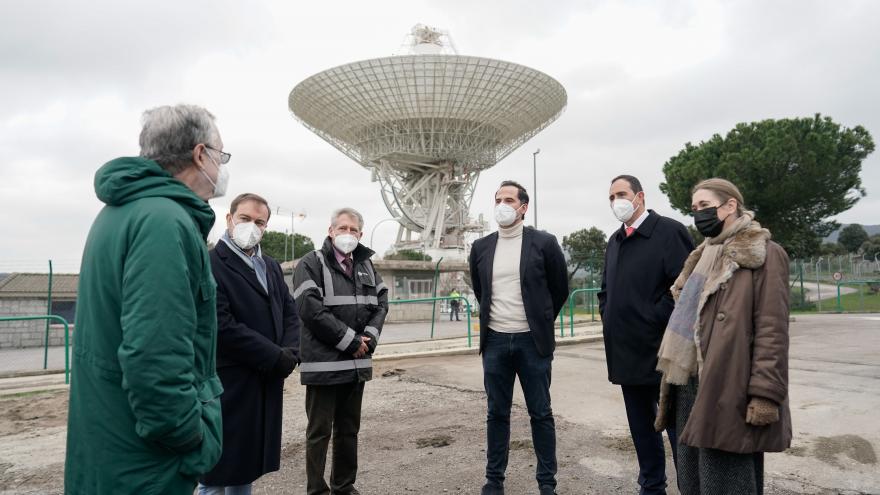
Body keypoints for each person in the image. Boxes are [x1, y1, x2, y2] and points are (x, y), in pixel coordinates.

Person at [65, 104, 228, 494]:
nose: (222, 167)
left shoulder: (123, 211)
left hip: (113, 445)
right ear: (200, 154)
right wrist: (191, 439)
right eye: (221, 156)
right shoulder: (163, 222)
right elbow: (155, 358)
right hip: (146, 464)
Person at [655, 178, 792, 494]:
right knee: (692, 478)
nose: (698, 213)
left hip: (731, 386)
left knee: (728, 479)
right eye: (694, 208)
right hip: (689, 382)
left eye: (704, 205)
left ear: (730, 205)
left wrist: (765, 394)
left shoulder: (765, 254)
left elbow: (773, 332)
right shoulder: (703, 254)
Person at [469, 180, 569, 495]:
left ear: (523, 207)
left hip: (532, 343)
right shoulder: (481, 248)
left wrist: (539, 322)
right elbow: (480, 290)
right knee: (496, 412)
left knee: (540, 412)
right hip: (496, 342)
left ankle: (547, 484)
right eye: (498, 199)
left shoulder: (544, 243)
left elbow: (559, 289)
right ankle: (494, 481)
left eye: (509, 199)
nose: (502, 204)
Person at [198, 193, 301, 494]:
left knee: (245, 463)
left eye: (260, 222)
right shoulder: (211, 263)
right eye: (245, 219)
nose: (252, 227)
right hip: (229, 380)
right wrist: (275, 356)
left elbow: (289, 310)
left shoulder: (269, 265)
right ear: (229, 219)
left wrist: (292, 351)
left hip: (263, 380)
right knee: (217, 469)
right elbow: (222, 325)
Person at [597, 174, 694, 495]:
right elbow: (605, 291)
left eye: (621, 194)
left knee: (678, 427)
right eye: (611, 197)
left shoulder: (669, 232)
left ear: (640, 197)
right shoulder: (615, 241)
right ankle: (652, 486)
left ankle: (691, 486)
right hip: (625, 352)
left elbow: (685, 289)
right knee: (641, 427)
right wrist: (608, 316)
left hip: (663, 351)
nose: (616, 201)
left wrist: (651, 318)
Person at [293, 207, 389, 495]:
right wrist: (350, 341)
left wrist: (368, 339)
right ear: (330, 230)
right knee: (319, 432)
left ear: (360, 235)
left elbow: (381, 305)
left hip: (356, 365)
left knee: (348, 431)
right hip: (324, 365)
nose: (348, 234)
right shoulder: (310, 263)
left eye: (353, 230)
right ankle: (317, 490)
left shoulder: (367, 266)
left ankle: (344, 485)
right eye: (342, 228)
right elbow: (310, 309)